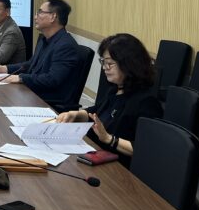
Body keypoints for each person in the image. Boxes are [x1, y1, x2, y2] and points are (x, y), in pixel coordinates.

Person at [56, 33, 162, 167]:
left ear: (129, 64)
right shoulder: (115, 90)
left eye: (110, 63)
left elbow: (145, 149)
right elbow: (97, 112)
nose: (104, 68)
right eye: (103, 62)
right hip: (95, 155)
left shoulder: (146, 103)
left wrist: (109, 139)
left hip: (117, 168)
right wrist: (76, 114)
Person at [0, 0, 79, 111]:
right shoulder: (44, 39)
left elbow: (52, 79)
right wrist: (4, 68)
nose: (35, 17)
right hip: (33, 93)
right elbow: (32, 64)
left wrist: (20, 78)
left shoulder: (65, 45)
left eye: (40, 12)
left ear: (53, 17)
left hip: (47, 103)